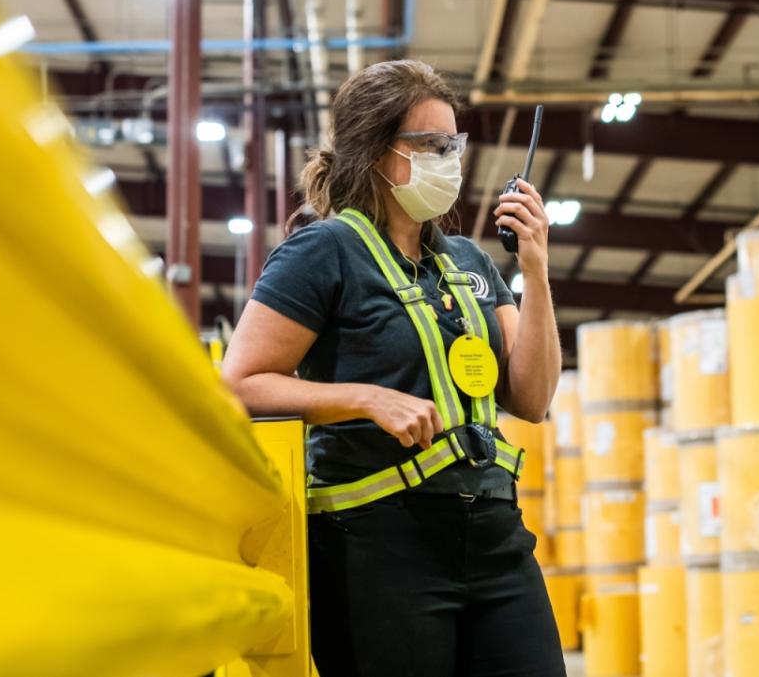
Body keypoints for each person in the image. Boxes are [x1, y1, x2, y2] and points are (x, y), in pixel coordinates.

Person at [223, 59, 566, 677]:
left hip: (494, 534)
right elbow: (239, 384)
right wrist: (365, 398)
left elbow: (533, 398)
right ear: (377, 153)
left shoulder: (469, 262)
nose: (450, 160)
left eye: (453, 144)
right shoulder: (322, 252)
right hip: (377, 546)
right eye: (432, 145)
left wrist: (535, 270)